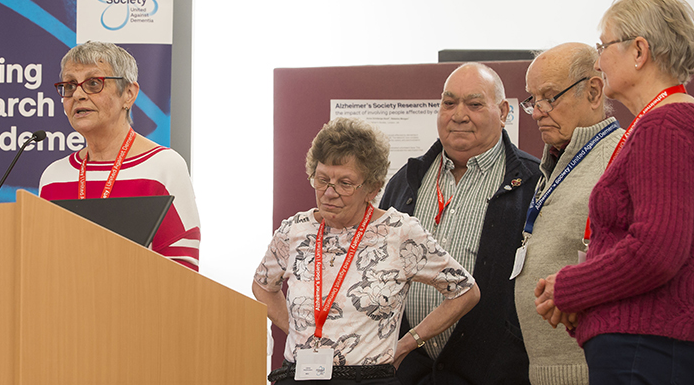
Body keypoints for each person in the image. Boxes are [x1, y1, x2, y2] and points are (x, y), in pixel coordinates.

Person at [535, 0, 694, 383]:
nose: (598, 60)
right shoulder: (659, 123)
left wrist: (571, 287)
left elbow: (657, 252)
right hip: (645, 346)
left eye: (603, 46)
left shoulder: (664, 126)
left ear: (639, 50)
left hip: (645, 350)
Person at [253, 118, 480, 385]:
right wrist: (297, 330)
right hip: (298, 375)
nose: (329, 192)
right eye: (322, 179)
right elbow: (263, 286)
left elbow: (465, 291)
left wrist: (408, 343)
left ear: (371, 188)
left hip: (368, 379)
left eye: (345, 183)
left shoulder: (399, 232)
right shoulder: (294, 230)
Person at [379, 62, 540, 385]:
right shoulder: (406, 182)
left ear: (504, 111)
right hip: (410, 373)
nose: (459, 114)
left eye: (475, 104)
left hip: (495, 374)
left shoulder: (532, 182)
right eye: (449, 103)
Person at [513, 43, 624, 384]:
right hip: (544, 371)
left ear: (593, 91)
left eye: (550, 97)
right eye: (533, 99)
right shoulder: (553, 163)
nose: (537, 111)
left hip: (591, 370)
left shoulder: (620, 157)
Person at [39, 41, 201, 271]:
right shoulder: (55, 176)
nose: (78, 94)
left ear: (129, 94)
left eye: (93, 83)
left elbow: (183, 265)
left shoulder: (163, 166)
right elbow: (42, 261)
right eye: (69, 85)